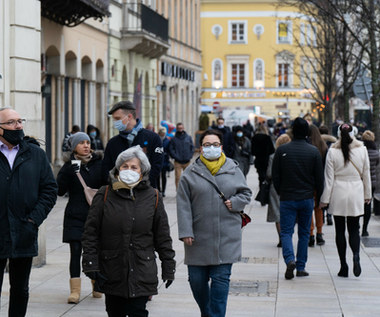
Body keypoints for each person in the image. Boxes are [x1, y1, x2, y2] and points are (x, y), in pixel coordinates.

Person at [82, 145, 175, 317]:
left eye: (134, 167)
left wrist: (168, 266)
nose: (129, 170)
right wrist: (90, 264)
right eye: (124, 166)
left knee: (138, 312)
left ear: (142, 171)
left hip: (142, 268)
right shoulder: (104, 194)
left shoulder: (153, 196)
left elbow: (162, 236)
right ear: (117, 170)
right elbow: (91, 233)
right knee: (114, 312)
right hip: (112, 269)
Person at [177, 129, 252, 317]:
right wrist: (186, 231)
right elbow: (183, 204)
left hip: (226, 237)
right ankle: (207, 313)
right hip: (198, 238)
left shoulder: (233, 169)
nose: (212, 148)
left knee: (220, 284)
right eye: (207, 145)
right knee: (196, 282)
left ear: (222, 147)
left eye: (215, 145)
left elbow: (246, 193)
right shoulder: (190, 173)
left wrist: (234, 203)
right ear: (201, 148)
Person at [0, 107, 57, 316]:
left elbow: (50, 189)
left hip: (24, 231)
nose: (19, 126)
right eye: (12, 123)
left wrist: (34, 220)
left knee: (20, 290)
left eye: (20, 121)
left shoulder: (35, 154)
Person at [272, 117, 324, 279]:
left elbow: (276, 176)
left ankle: (289, 260)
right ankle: (301, 266)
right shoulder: (313, 151)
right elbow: (319, 179)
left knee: (286, 232)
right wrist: (318, 196)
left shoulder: (282, 151)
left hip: (288, 197)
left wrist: (281, 191)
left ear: (292, 131)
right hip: (307, 198)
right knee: (304, 233)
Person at [57, 132, 104, 304]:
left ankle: (96, 282)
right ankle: (75, 291)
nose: (86, 145)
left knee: (94, 251)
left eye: (88, 142)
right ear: (73, 146)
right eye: (81, 143)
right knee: (75, 252)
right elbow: (60, 190)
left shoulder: (100, 163)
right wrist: (67, 169)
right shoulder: (70, 166)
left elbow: (107, 185)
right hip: (75, 216)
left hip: (96, 216)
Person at [320, 123, 371, 278]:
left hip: (338, 192)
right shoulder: (362, 150)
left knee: (340, 230)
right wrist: (367, 194)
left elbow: (329, 179)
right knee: (354, 228)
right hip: (356, 190)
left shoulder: (332, 151)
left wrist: (325, 199)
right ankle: (356, 255)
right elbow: (366, 173)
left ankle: (343, 265)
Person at [102, 101, 163, 188]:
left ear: (129, 117)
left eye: (117, 118)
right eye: (114, 119)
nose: (115, 122)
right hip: (119, 193)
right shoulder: (112, 143)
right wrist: (116, 184)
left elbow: (157, 166)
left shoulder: (153, 138)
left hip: (146, 193)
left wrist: (142, 184)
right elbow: (106, 168)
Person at [266, 134, 291, 248]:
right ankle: (288, 236)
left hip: (275, 187)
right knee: (289, 213)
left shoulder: (273, 156)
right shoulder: (292, 154)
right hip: (290, 187)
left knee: (277, 213)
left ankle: (281, 237)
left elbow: (269, 173)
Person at [308, 125, 328, 247]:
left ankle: (311, 234)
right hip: (320, 181)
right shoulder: (323, 146)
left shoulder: (307, 145)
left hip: (308, 182)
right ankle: (319, 233)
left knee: (309, 209)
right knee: (319, 208)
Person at [360, 130, 379, 237]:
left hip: (361, 182)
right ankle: (365, 229)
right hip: (372, 182)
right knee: (368, 204)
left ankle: (357, 225)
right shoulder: (376, 154)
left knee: (359, 204)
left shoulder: (360, 152)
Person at [168, 122, 195, 189]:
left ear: (183, 128)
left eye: (181, 128)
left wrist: (190, 156)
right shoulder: (174, 139)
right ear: (177, 129)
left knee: (188, 177)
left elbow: (192, 148)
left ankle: (188, 191)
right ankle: (178, 192)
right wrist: (175, 156)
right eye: (179, 128)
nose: (180, 129)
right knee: (178, 177)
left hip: (187, 161)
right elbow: (171, 149)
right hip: (178, 162)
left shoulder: (188, 137)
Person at [157, 127, 171, 197]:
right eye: (161, 133)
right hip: (157, 160)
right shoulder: (156, 139)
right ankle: (158, 190)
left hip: (165, 160)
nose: (162, 134)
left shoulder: (167, 140)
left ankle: (163, 191)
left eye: (164, 133)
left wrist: (167, 154)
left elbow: (169, 149)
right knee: (157, 176)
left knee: (163, 176)